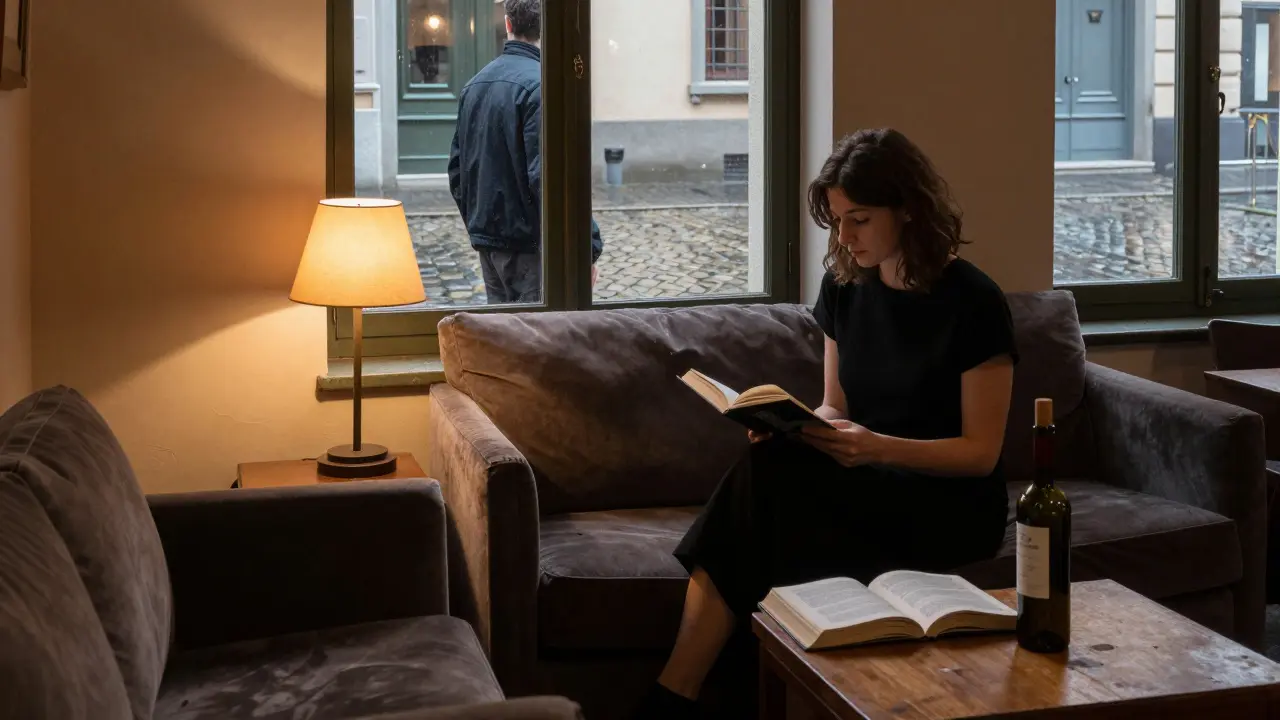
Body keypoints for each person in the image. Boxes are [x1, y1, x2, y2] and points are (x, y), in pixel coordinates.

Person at [635, 128, 1018, 718]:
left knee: (767, 502)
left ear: (909, 211)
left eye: (859, 219)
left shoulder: (974, 302)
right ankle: (685, 695)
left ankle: (675, 696)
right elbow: (836, 405)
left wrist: (878, 449)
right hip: (868, 476)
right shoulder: (846, 286)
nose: (845, 236)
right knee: (771, 465)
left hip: (951, 503)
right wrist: (798, 425)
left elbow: (980, 454)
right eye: (838, 220)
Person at [447, 0, 603, 304]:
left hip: (491, 245)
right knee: (536, 343)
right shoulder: (544, 86)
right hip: (529, 247)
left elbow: (457, 171)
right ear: (544, 27)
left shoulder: (473, 86)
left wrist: (480, 227)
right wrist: (588, 247)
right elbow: (549, 179)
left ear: (507, 24)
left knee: (504, 340)